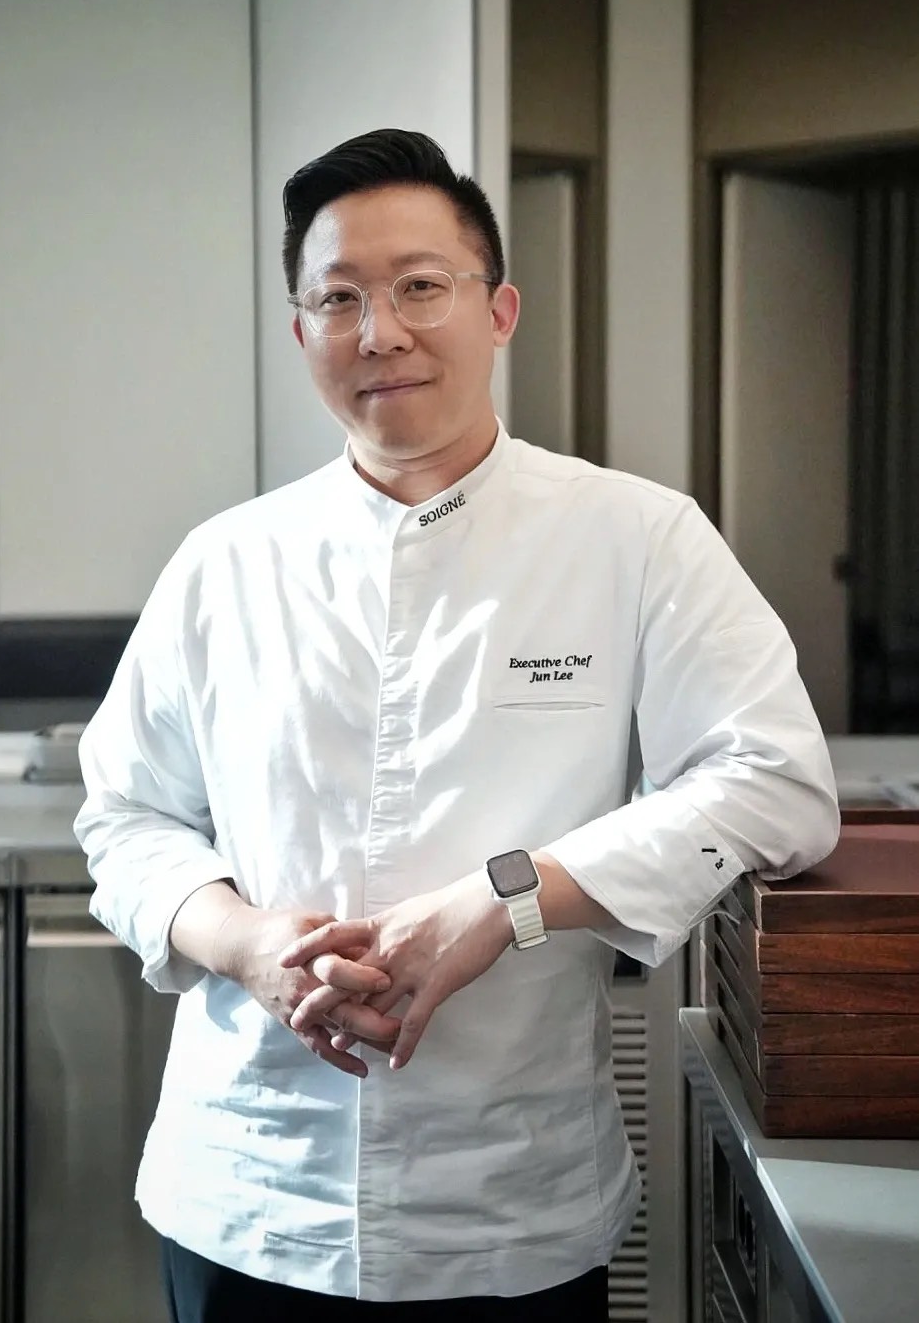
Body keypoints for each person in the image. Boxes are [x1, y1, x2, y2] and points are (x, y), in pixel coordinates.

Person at [74, 128, 839, 1323]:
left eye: (419, 286)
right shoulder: (223, 563)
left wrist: (505, 898)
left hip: (512, 1201)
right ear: (300, 333)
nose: (379, 331)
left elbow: (774, 781)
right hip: (249, 1186)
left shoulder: (634, 537)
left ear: (498, 311)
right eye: (338, 298)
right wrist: (245, 942)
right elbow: (124, 814)